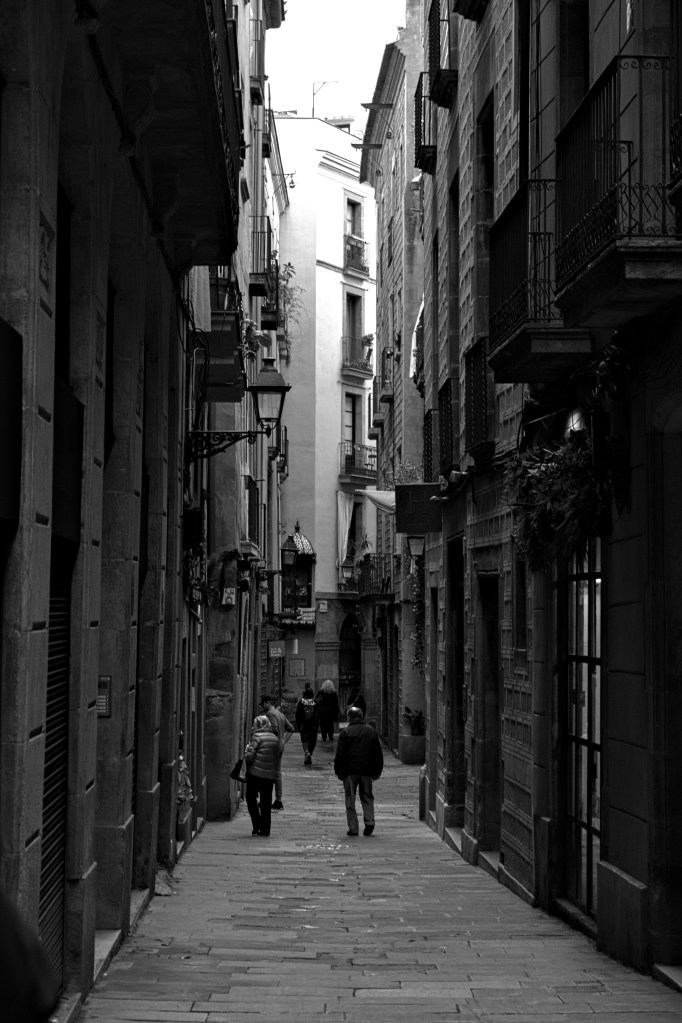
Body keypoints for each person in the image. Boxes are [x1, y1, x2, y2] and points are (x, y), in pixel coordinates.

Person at [334, 705, 383, 837]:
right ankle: (369, 821)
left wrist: (338, 770)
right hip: (367, 771)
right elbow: (378, 753)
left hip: (350, 771)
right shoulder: (370, 731)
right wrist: (377, 770)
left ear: (349, 718)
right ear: (362, 716)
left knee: (350, 799)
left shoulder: (346, 732)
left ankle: (353, 828)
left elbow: (340, 754)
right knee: (367, 796)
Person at [244, 714, 280, 836]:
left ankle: (257, 824)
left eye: (254, 724)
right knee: (266, 802)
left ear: (259, 725)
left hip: (255, 774)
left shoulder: (256, 736)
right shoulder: (275, 738)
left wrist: (246, 751)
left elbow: (249, 757)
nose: (252, 727)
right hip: (269, 775)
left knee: (250, 798)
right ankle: (265, 830)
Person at [260, 693, 294, 809]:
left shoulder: (269, 714)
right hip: (279, 746)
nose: (262, 707)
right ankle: (277, 799)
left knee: (267, 773)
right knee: (277, 773)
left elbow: (274, 729)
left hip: (272, 747)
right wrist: (283, 741)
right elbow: (291, 729)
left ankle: (269, 800)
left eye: (263, 704)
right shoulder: (280, 714)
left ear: (267, 703)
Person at [295, 682, 319, 765]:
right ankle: (309, 754)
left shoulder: (301, 702)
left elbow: (297, 714)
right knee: (312, 741)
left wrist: (299, 725)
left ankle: (306, 752)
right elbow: (318, 714)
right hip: (313, 725)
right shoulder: (315, 702)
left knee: (304, 740)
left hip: (304, 725)